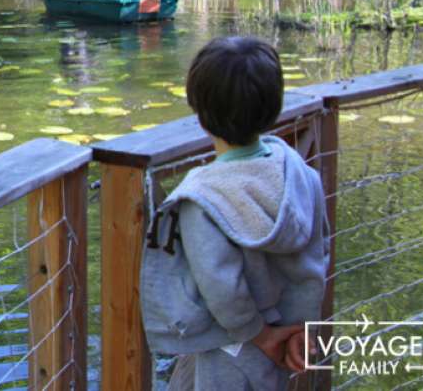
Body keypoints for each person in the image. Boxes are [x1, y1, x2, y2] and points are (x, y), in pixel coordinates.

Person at [141, 36, 329, 391]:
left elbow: (221, 286)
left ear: (200, 112)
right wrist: (299, 327)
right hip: (287, 337)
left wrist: (259, 335)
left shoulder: (202, 198)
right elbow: (318, 254)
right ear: (272, 108)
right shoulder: (301, 176)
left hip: (232, 346)